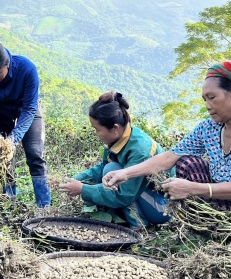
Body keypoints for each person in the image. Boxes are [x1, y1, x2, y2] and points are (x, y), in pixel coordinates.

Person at [103, 61, 231, 227]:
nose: (207, 105)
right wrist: (125, 173)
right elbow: (170, 156)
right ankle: (210, 222)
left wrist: (193, 189)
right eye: (204, 99)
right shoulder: (210, 127)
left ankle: (212, 224)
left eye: (212, 97)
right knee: (187, 163)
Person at [58, 91, 170, 228]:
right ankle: (125, 218)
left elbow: (125, 195)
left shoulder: (140, 150)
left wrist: (83, 189)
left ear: (115, 128)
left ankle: (139, 228)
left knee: (113, 173)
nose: (96, 134)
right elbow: (102, 168)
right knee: (109, 169)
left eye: (97, 129)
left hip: (162, 207)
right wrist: (76, 179)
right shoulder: (117, 139)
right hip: (144, 195)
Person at [0, 41, 51, 207]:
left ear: (7, 64)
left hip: (28, 109)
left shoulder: (27, 69)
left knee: (35, 155)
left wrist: (13, 140)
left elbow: (29, 109)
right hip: (0, 112)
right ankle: (9, 204)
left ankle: (44, 207)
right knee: (2, 155)